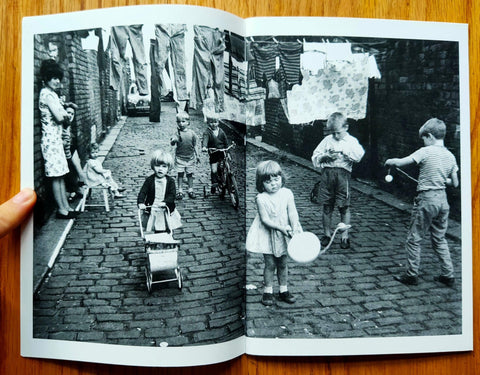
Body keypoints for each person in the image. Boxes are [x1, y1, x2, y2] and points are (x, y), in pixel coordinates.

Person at [385, 118, 459, 287]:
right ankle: (448, 275)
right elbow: (455, 183)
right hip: (442, 201)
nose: (423, 142)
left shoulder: (425, 152)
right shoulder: (450, 155)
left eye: (424, 139)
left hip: (426, 200)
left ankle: (411, 274)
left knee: (414, 238)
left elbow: (401, 162)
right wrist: (441, 179)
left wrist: (390, 161)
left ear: (429, 136)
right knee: (439, 238)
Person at [246, 160, 302, 306]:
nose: (273, 184)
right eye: (268, 181)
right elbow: (265, 220)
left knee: (283, 262)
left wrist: (294, 224)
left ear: (282, 178)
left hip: (285, 233)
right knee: (270, 263)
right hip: (269, 233)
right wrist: (280, 227)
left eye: (276, 179)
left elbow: (292, 211)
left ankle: (284, 290)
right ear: (261, 183)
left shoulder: (287, 193)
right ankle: (268, 291)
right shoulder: (261, 198)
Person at [311, 112, 365, 249]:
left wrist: (346, 153)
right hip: (327, 175)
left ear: (346, 127)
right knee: (327, 205)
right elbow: (315, 156)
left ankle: (344, 236)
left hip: (343, 176)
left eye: (338, 133)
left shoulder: (351, 141)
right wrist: (325, 156)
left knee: (344, 206)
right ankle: (327, 234)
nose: (335, 136)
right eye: (333, 133)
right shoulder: (327, 140)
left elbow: (359, 155)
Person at [39, 59, 78, 220]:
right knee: (56, 176)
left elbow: (65, 116)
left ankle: (66, 207)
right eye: (53, 78)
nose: (56, 81)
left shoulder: (53, 94)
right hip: (50, 141)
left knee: (61, 174)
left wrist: (65, 115)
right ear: (46, 78)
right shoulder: (46, 94)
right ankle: (61, 209)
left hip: (57, 140)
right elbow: (60, 117)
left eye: (58, 78)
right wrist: (65, 115)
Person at [137, 149, 181, 233]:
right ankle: (155, 240)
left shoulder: (170, 181)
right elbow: (143, 192)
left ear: (168, 168)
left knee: (167, 227)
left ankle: (166, 239)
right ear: (153, 166)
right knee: (154, 227)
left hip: (165, 208)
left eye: (164, 166)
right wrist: (141, 202)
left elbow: (172, 194)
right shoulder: (149, 180)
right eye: (158, 166)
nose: (160, 169)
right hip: (153, 208)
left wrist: (165, 202)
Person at [170, 112, 200, 200]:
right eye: (179, 122)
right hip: (180, 158)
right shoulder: (176, 133)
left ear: (188, 122)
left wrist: (197, 155)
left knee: (190, 175)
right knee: (180, 175)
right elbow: (172, 143)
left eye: (183, 121)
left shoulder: (192, 133)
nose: (181, 124)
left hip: (190, 157)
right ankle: (180, 191)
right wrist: (174, 140)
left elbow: (195, 145)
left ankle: (190, 189)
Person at [62, 103, 85, 202]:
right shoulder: (62, 127)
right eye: (68, 113)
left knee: (76, 166)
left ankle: (80, 182)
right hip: (63, 156)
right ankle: (76, 186)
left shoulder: (68, 126)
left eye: (72, 114)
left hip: (70, 153)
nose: (70, 115)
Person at [201, 113, 229, 194]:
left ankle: (225, 180)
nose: (214, 124)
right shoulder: (207, 132)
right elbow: (205, 140)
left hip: (222, 151)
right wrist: (204, 147)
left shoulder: (221, 131)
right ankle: (214, 183)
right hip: (213, 152)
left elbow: (225, 140)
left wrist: (227, 148)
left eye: (215, 122)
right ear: (208, 123)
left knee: (223, 167)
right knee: (214, 170)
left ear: (218, 122)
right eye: (211, 122)